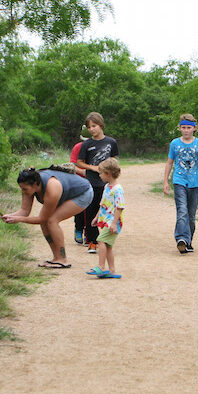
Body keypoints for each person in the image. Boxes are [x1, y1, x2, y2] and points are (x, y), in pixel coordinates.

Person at [2, 167, 94, 269]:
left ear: (36, 184)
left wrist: (19, 219)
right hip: (65, 193)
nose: (23, 191)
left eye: (25, 189)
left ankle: (63, 260)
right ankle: (57, 258)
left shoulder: (52, 187)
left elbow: (42, 218)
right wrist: (10, 216)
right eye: (21, 188)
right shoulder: (28, 185)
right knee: (46, 222)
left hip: (83, 193)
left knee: (51, 220)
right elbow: (24, 211)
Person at [163, 113, 198, 254]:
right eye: (183, 127)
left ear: (194, 128)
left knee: (191, 216)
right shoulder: (175, 144)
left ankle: (188, 241)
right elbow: (169, 162)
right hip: (179, 181)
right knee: (182, 211)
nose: (185, 130)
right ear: (180, 128)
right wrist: (166, 181)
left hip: (195, 183)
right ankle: (181, 239)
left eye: (188, 128)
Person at [76, 112, 119, 255]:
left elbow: (114, 160)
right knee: (90, 212)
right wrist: (92, 167)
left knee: (108, 212)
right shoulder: (87, 144)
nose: (92, 129)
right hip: (91, 182)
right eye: (89, 127)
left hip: (107, 184)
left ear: (101, 125)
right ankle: (92, 241)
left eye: (94, 126)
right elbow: (79, 162)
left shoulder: (111, 142)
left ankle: (106, 239)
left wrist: (113, 174)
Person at [86, 158, 125, 279]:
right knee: (108, 245)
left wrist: (114, 223)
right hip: (106, 220)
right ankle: (112, 271)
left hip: (113, 222)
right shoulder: (107, 187)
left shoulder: (118, 189)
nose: (100, 175)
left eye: (101, 173)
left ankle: (101, 267)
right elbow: (103, 204)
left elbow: (119, 207)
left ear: (108, 173)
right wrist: (97, 217)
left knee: (101, 240)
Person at [70, 133, 89, 245]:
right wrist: (82, 172)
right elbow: (72, 164)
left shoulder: (98, 147)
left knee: (92, 208)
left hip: (94, 181)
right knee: (79, 208)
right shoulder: (78, 147)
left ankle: (89, 233)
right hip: (79, 181)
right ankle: (78, 229)